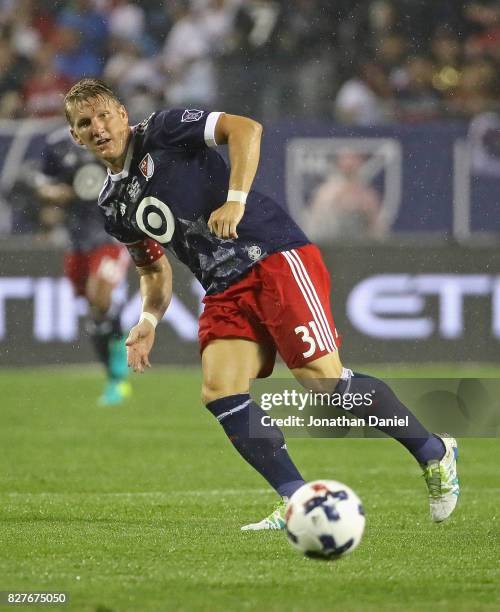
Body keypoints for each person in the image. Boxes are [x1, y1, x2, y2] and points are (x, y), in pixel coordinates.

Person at [63, 78, 459, 530]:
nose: (97, 127)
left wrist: (235, 200)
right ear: (75, 135)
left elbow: (246, 129)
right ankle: (296, 500)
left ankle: (435, 452)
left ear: (120, 111)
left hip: (272, 255)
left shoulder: (164, 130)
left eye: (103, 115)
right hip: (222, 286)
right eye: (84, 123)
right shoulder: (113, 204)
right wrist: (149, 318)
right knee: (220, 389)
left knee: (322, 382)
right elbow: (153, 269)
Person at [37, 125, 131, 406]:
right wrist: (54, 194)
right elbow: (43, 186)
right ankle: (113, 364)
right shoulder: (55, 144)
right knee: (94, 309)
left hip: (110, 233)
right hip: (76, 238)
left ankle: (117, 377)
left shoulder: (114, 137)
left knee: (99, 296)